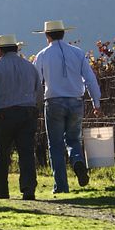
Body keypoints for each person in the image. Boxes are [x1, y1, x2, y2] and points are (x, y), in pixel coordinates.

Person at [33, 20, 101, 194]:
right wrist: (96, 101)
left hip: (53, 102)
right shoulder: (77, 53)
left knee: (55, 145)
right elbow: (89, 78)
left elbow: (36, 83)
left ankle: (61, 186)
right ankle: (77, 160)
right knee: (73, 139)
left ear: (47, 36)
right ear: (64, 34)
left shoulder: (42, 55)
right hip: (76, 101)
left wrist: (36, 104)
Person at [0, 34, 42, 200]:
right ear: (17, 49)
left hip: (3, 115)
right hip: (27, 114)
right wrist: (37, 109)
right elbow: (40, 90)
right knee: (27, 152)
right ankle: (28, 188)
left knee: (1, 153)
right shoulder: (30, 67)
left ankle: (1, 188)